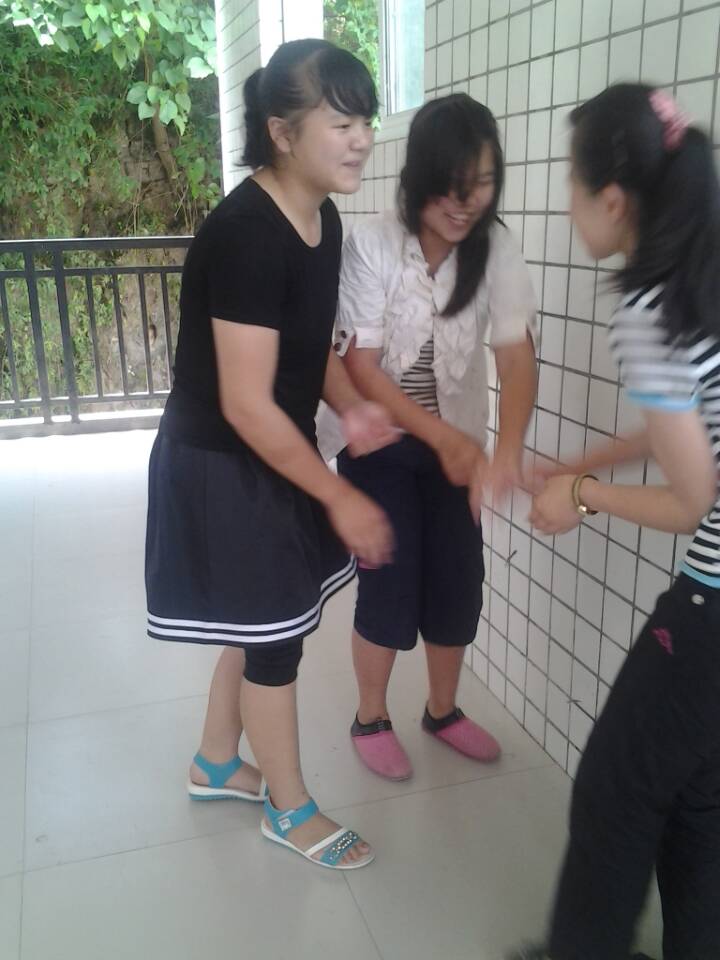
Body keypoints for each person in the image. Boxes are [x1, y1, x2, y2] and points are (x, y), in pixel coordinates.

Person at [145, 38, 398, 871]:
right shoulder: (248, 235)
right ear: (282, 132)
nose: (361, 139)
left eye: (365, 120)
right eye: (341, 122)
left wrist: (351, 406)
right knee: (273, 638)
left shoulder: (321, 218)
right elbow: (247, 404)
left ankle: (217, 761)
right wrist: (337, 493)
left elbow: (305, 346)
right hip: (223, 460)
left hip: (266, 450)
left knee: (260, 621)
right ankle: (289, 811)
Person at [509, 84, 720, 959]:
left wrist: (582, 497)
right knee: (698, 800)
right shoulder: (703, 270)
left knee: (615, 792)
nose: (566, 204)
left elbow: (693, 499)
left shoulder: (647, 309)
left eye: (570, 182)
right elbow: (690, 429)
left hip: (713, 604)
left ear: (612, 199)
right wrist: (586, 462)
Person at [318, 93, 537, 781]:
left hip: (458, 440)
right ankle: (370, 716)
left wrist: (505, 451)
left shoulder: (497, 248)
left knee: (457, 581)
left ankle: (442, 711)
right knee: (389, 582)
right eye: (451, 184)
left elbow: (517, 357)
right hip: (377, 437)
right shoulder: (374, 245)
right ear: (419, 177)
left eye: (482, 183)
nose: (466, 202)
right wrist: (443, 440)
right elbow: (361, 368)